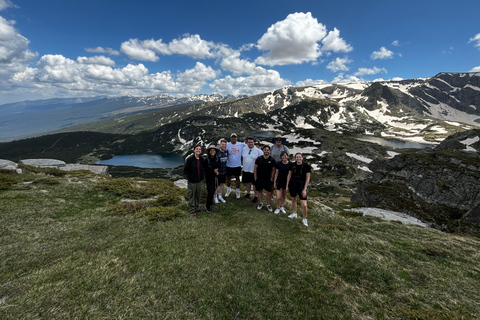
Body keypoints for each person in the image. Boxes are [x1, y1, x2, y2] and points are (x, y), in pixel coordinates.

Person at [286, 153, 311, 227]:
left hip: (302, 185)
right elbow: (289, 175)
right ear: (295, 158)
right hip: (293, 184)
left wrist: (305, 189)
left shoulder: (306, 166)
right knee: (293, 199)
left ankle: (304, 218)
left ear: (302, 158)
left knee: (304, 204)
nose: (298, 158)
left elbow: (308, 178)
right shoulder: (292, 165)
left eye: (300, 157)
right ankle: (294, 213)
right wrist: (287, 186)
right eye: (297, 157)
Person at [254, 145, 276, 212]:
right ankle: (261, 203)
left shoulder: (272, 160)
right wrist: (255, 178)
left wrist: (272, 178)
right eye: (265, 150)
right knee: (260, 191)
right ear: (263, 151)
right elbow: (255, 168)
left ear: (269, 151)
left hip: (268, 179)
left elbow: (273, 170)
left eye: (267, 150)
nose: (266, 151)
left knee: (268, 193)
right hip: (260, 178)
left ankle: (268, 205)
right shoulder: (259, 159)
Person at [183, 145, 205, 215]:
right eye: (197, 149)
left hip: (199, 181)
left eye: (199, 149)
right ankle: (192, 209)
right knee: (192, 195)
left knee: (198, 195)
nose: (198, 150)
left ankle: (197, 207)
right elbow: (185, 170)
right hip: (192, 182)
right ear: (194, 150)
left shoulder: (201, 159)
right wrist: (191, 177)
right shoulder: (189, 159)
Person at [225, 133, 246, 199]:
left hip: (237, 165)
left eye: (235, 137)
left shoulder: (241, 144)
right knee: (228, 177)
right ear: (230, 138)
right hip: (229, 164)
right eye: (232, 137)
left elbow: (249, 146)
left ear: (236, 138)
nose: (234, 138)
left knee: (237, 178)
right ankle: (228, 189)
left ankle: (237, 191)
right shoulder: (227, 145)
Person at [203, 145, 220, 213]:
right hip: (209, 177)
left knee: (214, 189)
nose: (212, 152)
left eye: (214, 150)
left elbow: (219, 165)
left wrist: (217, 171)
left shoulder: (217, 158)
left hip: (215, 177)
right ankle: (207, 206)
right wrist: (213, 171)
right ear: (209, 152)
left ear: (215, 151)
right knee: (210, 191)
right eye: (211, 150)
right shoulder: (206, 160)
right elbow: (205, 169)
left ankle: (210, 202)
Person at [214, 139, 228, 204]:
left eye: (225, 144)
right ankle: (215, 197)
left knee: (221, 184)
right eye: (222, 144)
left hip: (224, 171)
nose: (223, 146)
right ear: (220, 145)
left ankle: (220, 196)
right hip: (218, 172)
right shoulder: (217, 153)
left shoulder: (226, 152)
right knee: (217, 185)